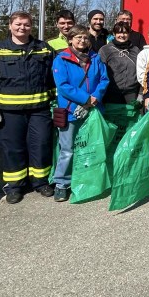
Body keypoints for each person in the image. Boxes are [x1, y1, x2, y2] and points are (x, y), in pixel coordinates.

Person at [0, 11, 56, 204]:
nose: (22, 28)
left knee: (41, 145)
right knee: (13, 149)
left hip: (39, 109)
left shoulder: (43, 49)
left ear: (32, 26)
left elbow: (54, 78)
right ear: (10, 26)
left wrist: (56, 103)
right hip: (9, 112)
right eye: (18, 24)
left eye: (26, 24)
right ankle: (15, 186)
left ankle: (40, 182)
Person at [51, 25, 109, 202]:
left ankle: (88, 179)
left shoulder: (96, 58)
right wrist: (85, 99)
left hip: (93, 109)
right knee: (67, 149)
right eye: (78, 38)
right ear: (70, 40)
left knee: (91, 146)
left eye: (85, 38)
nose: (82, 41)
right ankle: (61, 183)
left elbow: (104, 80)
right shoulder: (61, 59)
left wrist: (94, 98)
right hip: (70, 110)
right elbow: (63, 85)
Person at [99, 22, 142, 105]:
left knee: (132, 116)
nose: (122, 35)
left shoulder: (135, 50)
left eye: (125, 32)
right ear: (114, 34)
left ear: (129, 34)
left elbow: (141, 71)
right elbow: (100, 72)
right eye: (119, 32)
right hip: (112, 92)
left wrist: (140, 93)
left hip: (132, 92)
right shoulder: (105, 50)